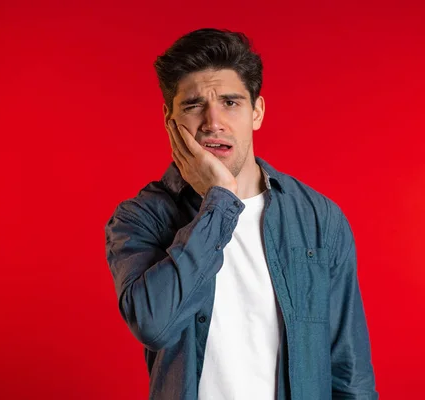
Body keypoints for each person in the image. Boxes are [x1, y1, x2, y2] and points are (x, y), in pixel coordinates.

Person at [105, 28, 378, 400]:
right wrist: (219, 201)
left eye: (231, 103)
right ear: (170, 120)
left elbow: (350, 373)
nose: (213, 121)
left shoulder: (318, 219)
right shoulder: (140, 218)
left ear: (258, 112)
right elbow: (155, 325)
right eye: (193, 105)